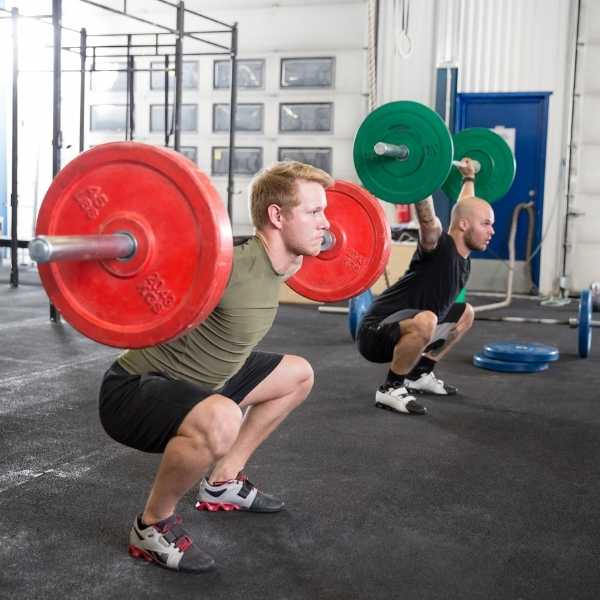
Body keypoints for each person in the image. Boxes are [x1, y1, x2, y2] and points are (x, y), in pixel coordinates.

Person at [98, 161, 333, 573]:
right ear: (276, 216)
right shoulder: (230, 264)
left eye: (324, 212)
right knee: (223, 417)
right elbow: (160, 281)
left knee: (298, 374)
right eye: (314, 212)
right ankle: (151, 526)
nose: (325, 223)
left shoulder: (284, 263)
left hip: (209, 381)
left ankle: (222, 482)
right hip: (135, 388)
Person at [356, 159, 494, 415]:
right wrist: (422, 180)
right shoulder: (439, 247)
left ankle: (419, 374)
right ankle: (390, 388)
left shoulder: (463, 253)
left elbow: (464, 209)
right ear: (464, 226)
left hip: (410, 324)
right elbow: (429, 222)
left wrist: (469, 178)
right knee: (427, 320)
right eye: (486, 224)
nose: (491, 230)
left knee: (466, 313)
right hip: (374, 333)